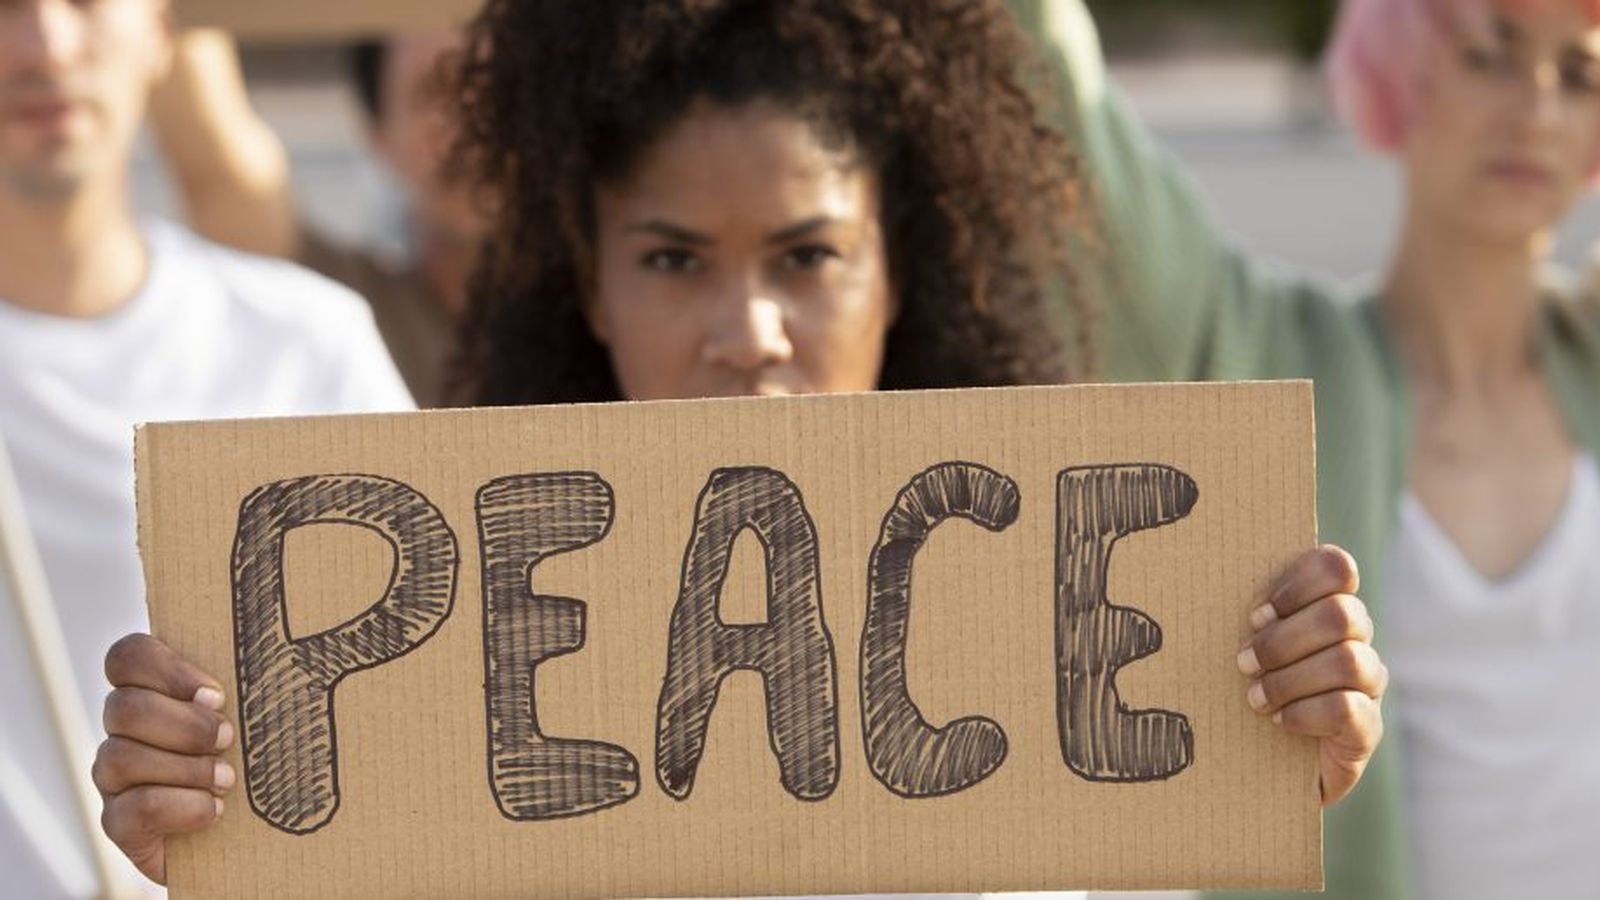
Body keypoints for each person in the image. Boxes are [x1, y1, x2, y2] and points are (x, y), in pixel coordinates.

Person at [89, 2, 1389, 897]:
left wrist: (1274, 736)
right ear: (588, 288)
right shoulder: (435, 656)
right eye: (672, 261)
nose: (749, 332)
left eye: (809, 256)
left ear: (897, 275)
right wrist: (215, 815)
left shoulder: (1067, 615)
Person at [1004, 0, 1600, 897]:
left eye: (1582, 74)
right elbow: (1059, 100)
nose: (1537, 109)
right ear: (1404, 70)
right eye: (1489, 56)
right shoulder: (1267, 353)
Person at [0, 0, 414, 896]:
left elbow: (428, 708)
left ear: (161, 29)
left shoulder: (308, 338)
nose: (43, 43)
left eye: (81, 0)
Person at [149, 30, 487, 407]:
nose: (470, 121)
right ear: (380, 137)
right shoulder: (339, 310)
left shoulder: (568, 314)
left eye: (498, 86)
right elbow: (218, 169)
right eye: (433, 92)